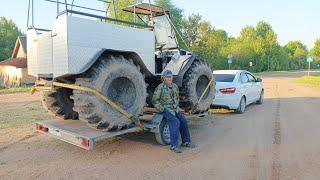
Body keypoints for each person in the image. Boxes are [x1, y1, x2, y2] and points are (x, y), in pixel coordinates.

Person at [152, 69, 195, 153]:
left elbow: (176, 98)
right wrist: (162, 108)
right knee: (175, 122)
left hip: (175, 109)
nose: (170, 78)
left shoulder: (175, 86)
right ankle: (174, 145)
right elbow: (154, 100)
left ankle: (186, 142)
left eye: (171, 77)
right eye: (167, 77)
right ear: (163, 78)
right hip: (166, 109)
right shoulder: (160, 87)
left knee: (183, 120)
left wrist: (177, 107)